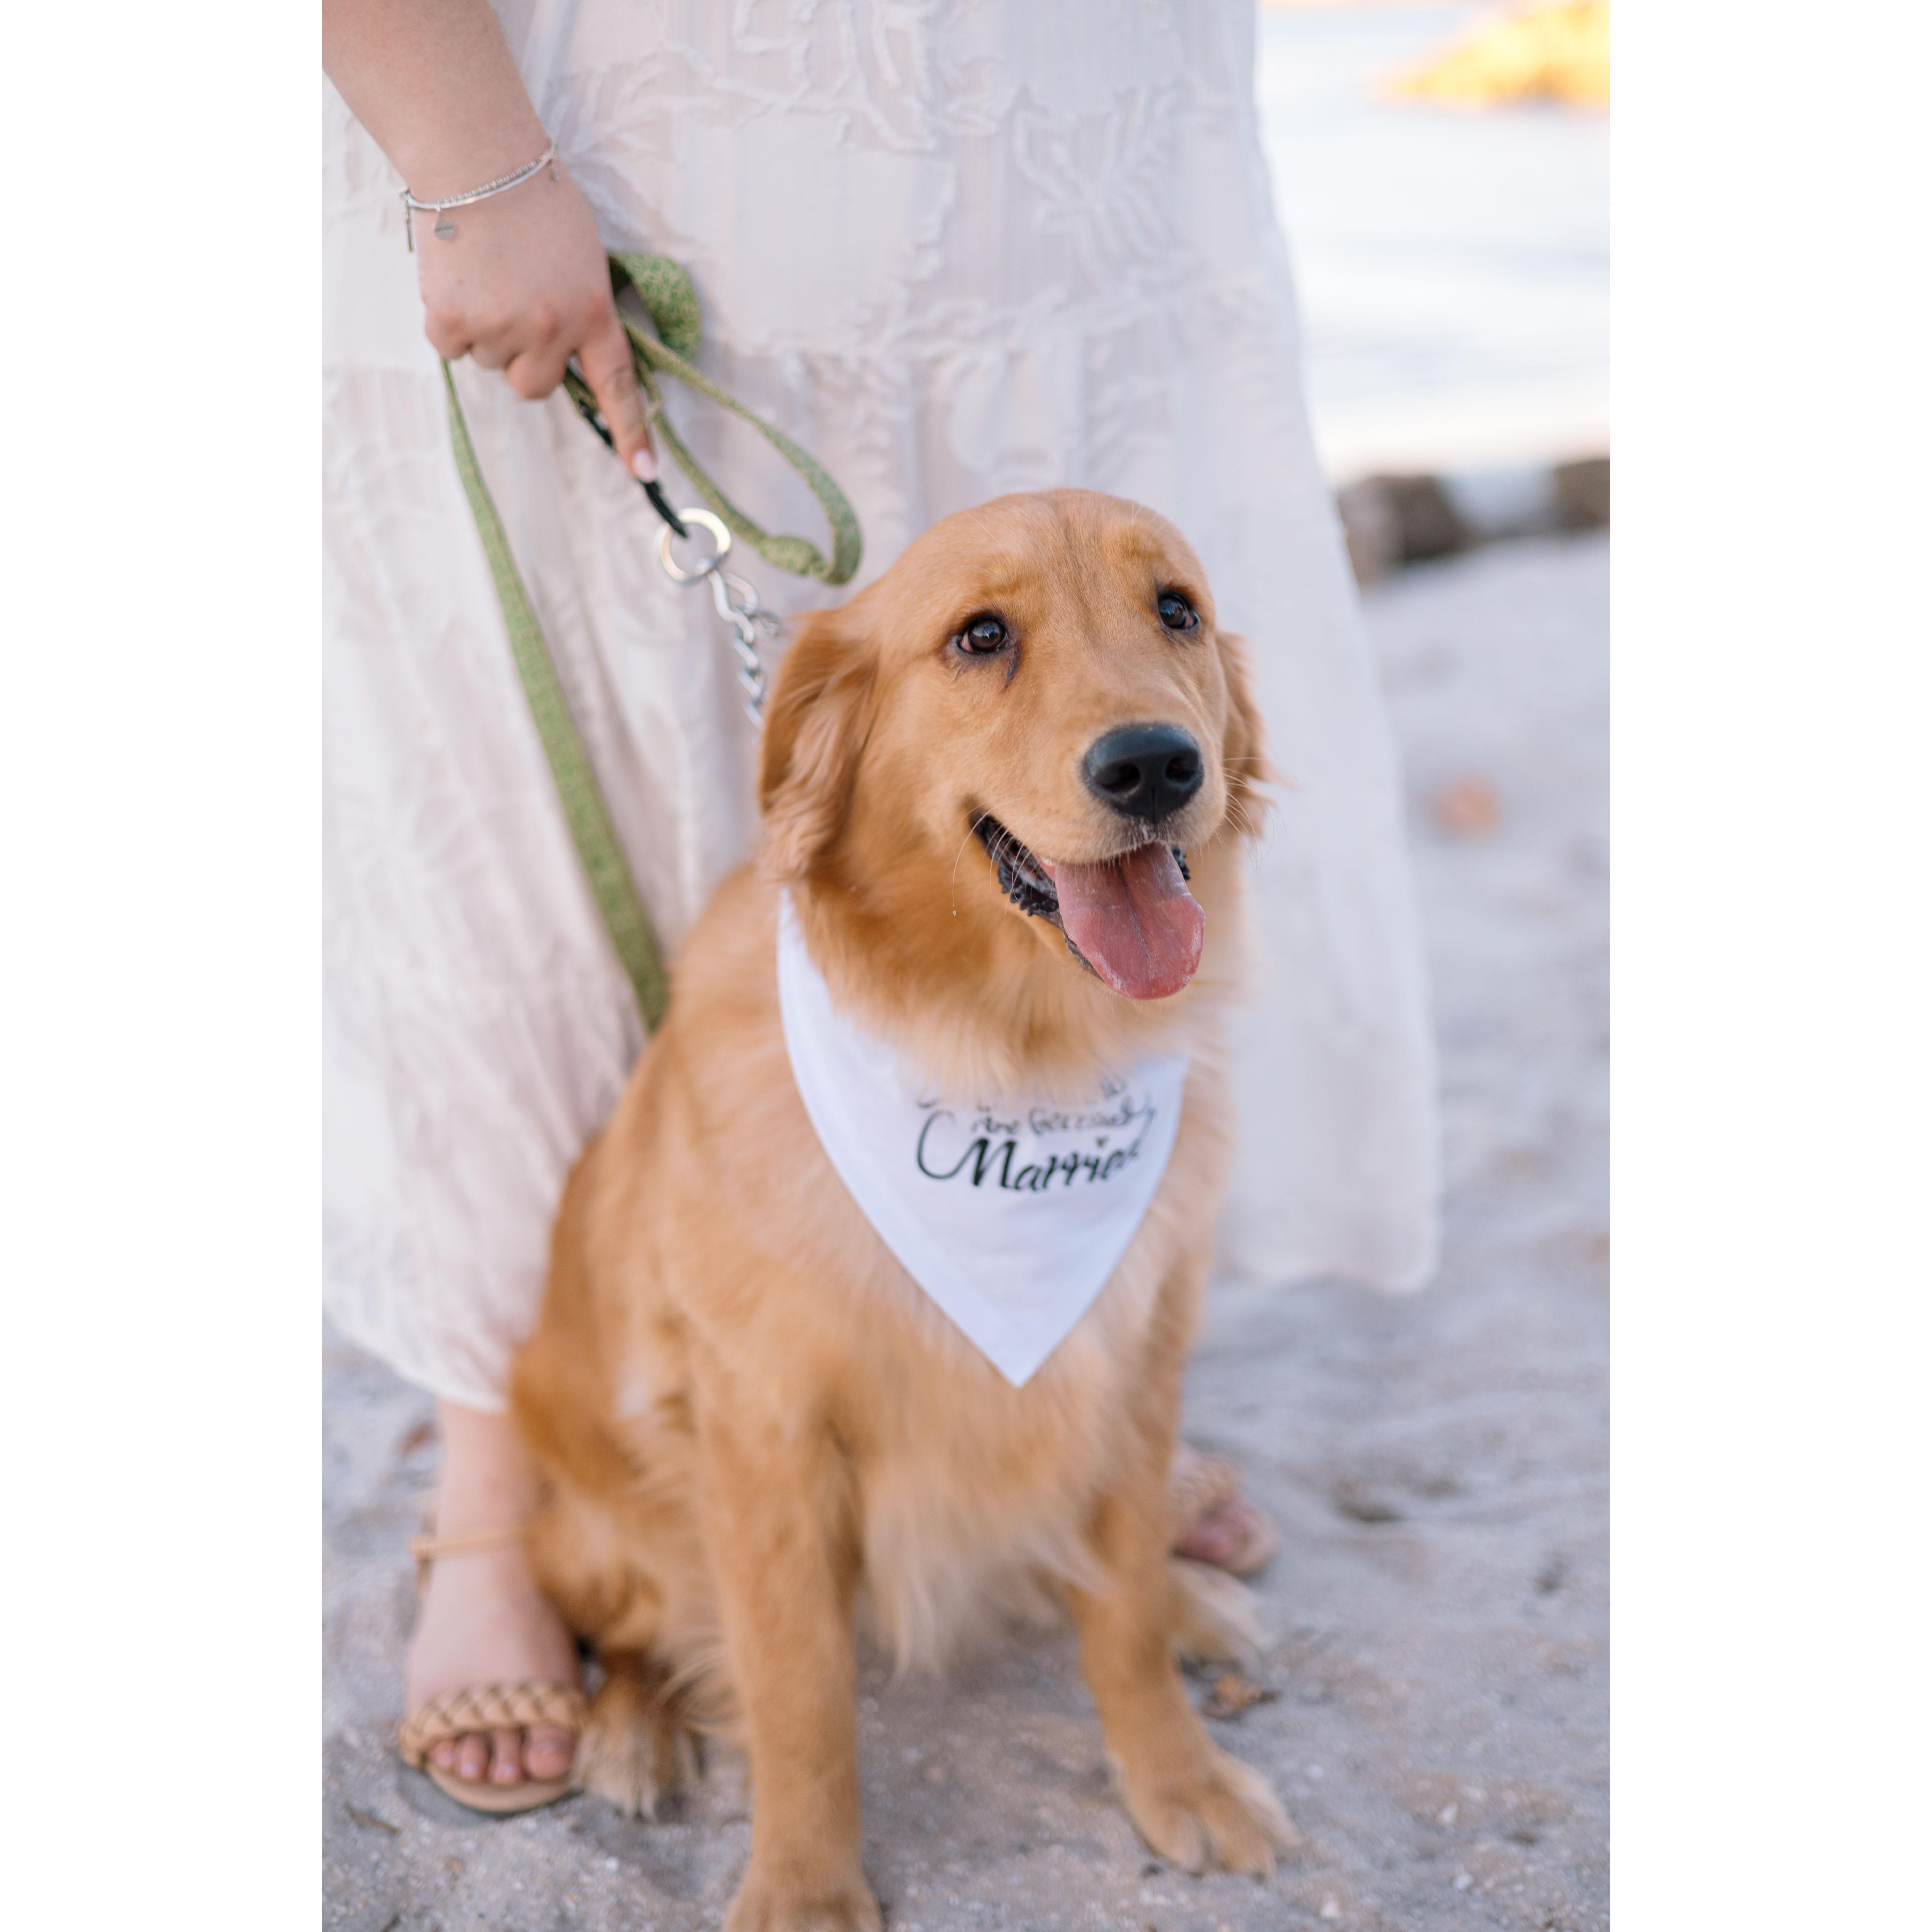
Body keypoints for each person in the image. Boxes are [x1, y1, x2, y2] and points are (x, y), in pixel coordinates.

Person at [323, 0, 1437, 1808]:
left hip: (1052, 132)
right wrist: (473, 165)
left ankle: (1067, 1477)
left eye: (1174, 623)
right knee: (529, 852)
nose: (1145, 726)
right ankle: (503, 1509)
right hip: (628, 128)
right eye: (987, 643)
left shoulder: (1183, 876)